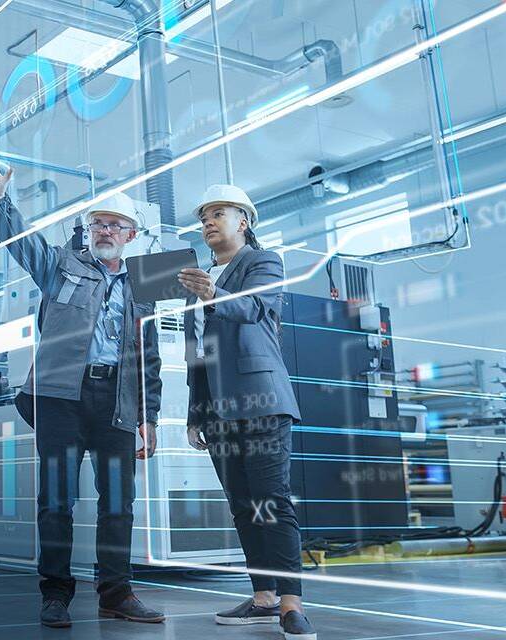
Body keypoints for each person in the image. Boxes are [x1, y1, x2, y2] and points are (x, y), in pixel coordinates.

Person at [0, 149, 164, 628]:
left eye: (117, 225)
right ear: (89, 229)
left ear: (131, 235)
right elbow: (21, 242)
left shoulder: (143, 286)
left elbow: (149, 358)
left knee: (118, 502)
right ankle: (55, 594)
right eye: (99, 223)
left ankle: (116, 592)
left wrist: (150, 416)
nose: (106, 231)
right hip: (60, 400)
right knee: (56, 500)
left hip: (117, 402)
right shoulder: (60, 265)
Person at [178, 184, 316, 640]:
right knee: (243, 505)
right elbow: (197, 354)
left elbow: (256, 308)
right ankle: (263, 598)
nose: (209, 222)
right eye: (204, 217)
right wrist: (196, 412)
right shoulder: (194, 281)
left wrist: (213, 290)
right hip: (218, 411)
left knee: (270, 500)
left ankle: (291, 604)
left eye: (219, 213)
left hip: (261, 400)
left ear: (245, 221)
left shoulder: (264, 262)